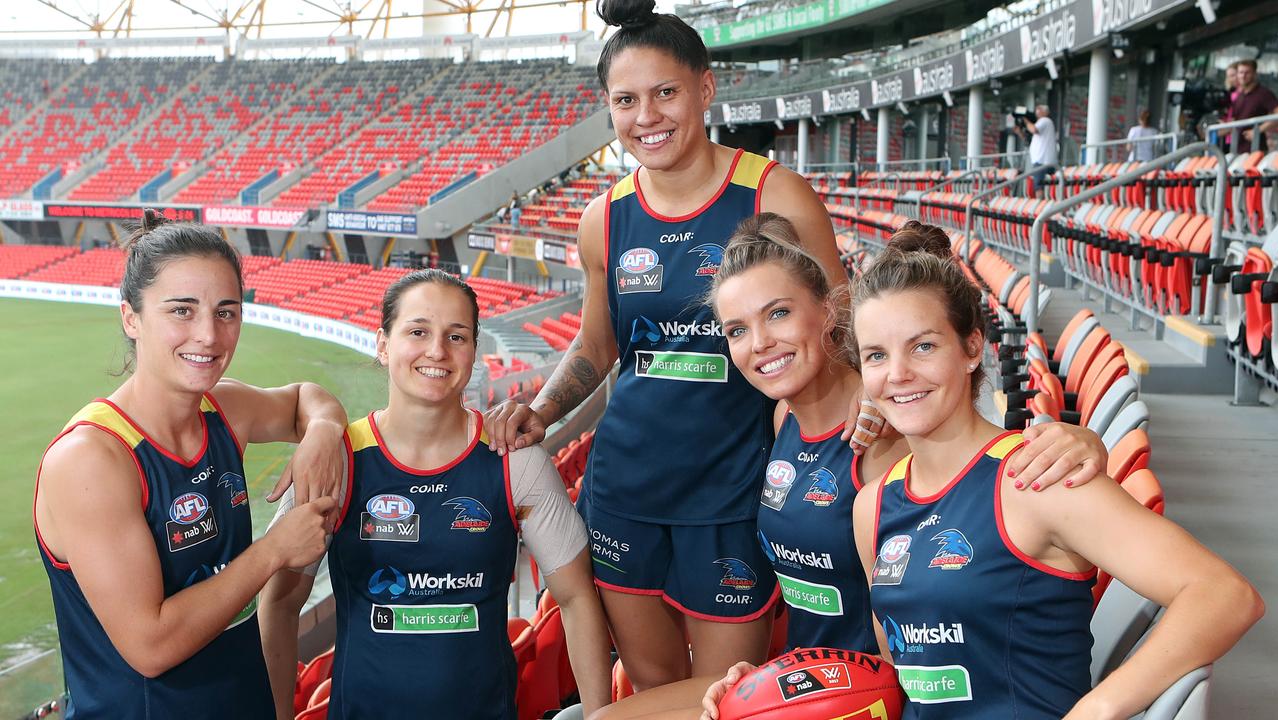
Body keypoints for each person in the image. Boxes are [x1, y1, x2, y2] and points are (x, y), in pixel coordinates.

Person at [482, 0, 875, 692]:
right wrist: (540, 411)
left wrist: (871, 399)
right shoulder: (603, 217)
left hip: (733, 490)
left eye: (665, 92)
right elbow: (598, 343)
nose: (648, 117)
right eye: (626, 100)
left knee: (730, 692)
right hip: (625, 490)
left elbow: (843, 324)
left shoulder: (774, 194)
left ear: (704, 87)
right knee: (653, 684)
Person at [589, 217, 1109, 720]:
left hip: (864, 692)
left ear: (829, 311)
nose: (760, 343)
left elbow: (973, 487)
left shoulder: (884, 432)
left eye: (777, 314)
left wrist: (1083, 443)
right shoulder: (782, 415)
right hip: (800, 678)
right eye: (737, 329)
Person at [848, 227, 1262, 718]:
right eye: (876, 355)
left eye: (923, 347)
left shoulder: (1038, 477)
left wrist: (1098, 707)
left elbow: (1225, 595)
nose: (897, 373)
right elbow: (898, 674)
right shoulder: (871, 506)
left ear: (972, 348)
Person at [259, 269, 612, 719]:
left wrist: (603, 714)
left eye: (457, 336)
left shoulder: (513, 459)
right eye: (418, 331)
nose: (437, 351)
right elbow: (279, 603)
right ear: (383, 345)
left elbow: (577, 597)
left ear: (473, 352)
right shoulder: (337, 461)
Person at [33, 211, 344, 719]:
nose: (209, 335)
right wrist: (273, 551)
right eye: (182, 310)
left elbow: (305, 399)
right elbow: (150, 646)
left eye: (226, 311)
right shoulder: (92, 460)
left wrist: (325, 431)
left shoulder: (224, 409)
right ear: (131, 317)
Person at [1230, 59, 1278, 152]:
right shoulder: (1239, 96)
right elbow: (1235, 121)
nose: (1243, 76)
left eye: (1247, 73)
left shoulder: (1263, 93)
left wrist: (1258, 130)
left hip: (1256, 150)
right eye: (1241, 72)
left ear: (1254, 74)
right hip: (1237, 150)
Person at [1016, 104, 1057, 196]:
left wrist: (1026, 121)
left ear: (1045, 111)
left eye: (1039, 109)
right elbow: (1029, 141)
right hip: (1041, 160)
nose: (1036, 111)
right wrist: (1019, 132)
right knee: (1040, 185)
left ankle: (1041, 206)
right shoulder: (1042, 124)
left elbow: (1034, 129)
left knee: (1039, 186)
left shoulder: (1045, 120)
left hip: (1042, 161)